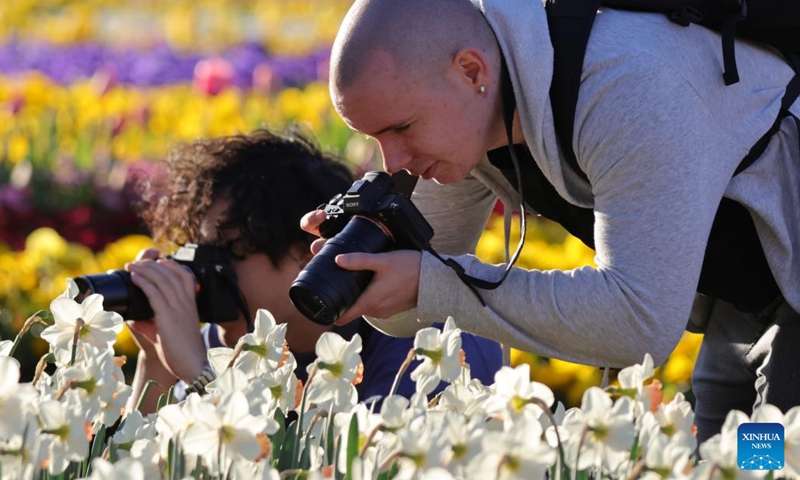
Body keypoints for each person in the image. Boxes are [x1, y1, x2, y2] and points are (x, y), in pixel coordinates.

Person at [299, 0, 800, 445]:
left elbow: (637, 323)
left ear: (471, 70)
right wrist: (362, 258)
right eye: (375, 137)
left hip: (786, 290)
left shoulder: (627, 85)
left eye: (401, 128)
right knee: (733, 461)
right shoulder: (468, 112)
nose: (392, 161)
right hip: (749, 304)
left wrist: (431, 283)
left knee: (769, 465)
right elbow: (410, 312)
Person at [123, 127, 503, 413]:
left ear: (309, 253)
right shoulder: (224, 339)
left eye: (225, 255)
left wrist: (201, 374)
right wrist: (155, 360)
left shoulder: (427, 338)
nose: (208, 276)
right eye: (198, 254)